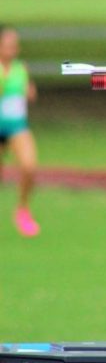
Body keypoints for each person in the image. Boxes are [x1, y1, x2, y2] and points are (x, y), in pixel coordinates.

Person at [0, 25, 40, 237]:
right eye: (7, 44)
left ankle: (23, 210)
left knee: (29, 166)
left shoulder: (20, 68)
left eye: (15, 45)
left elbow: (29, 93)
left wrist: (29, 92)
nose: (12, 49)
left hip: (16, 126)